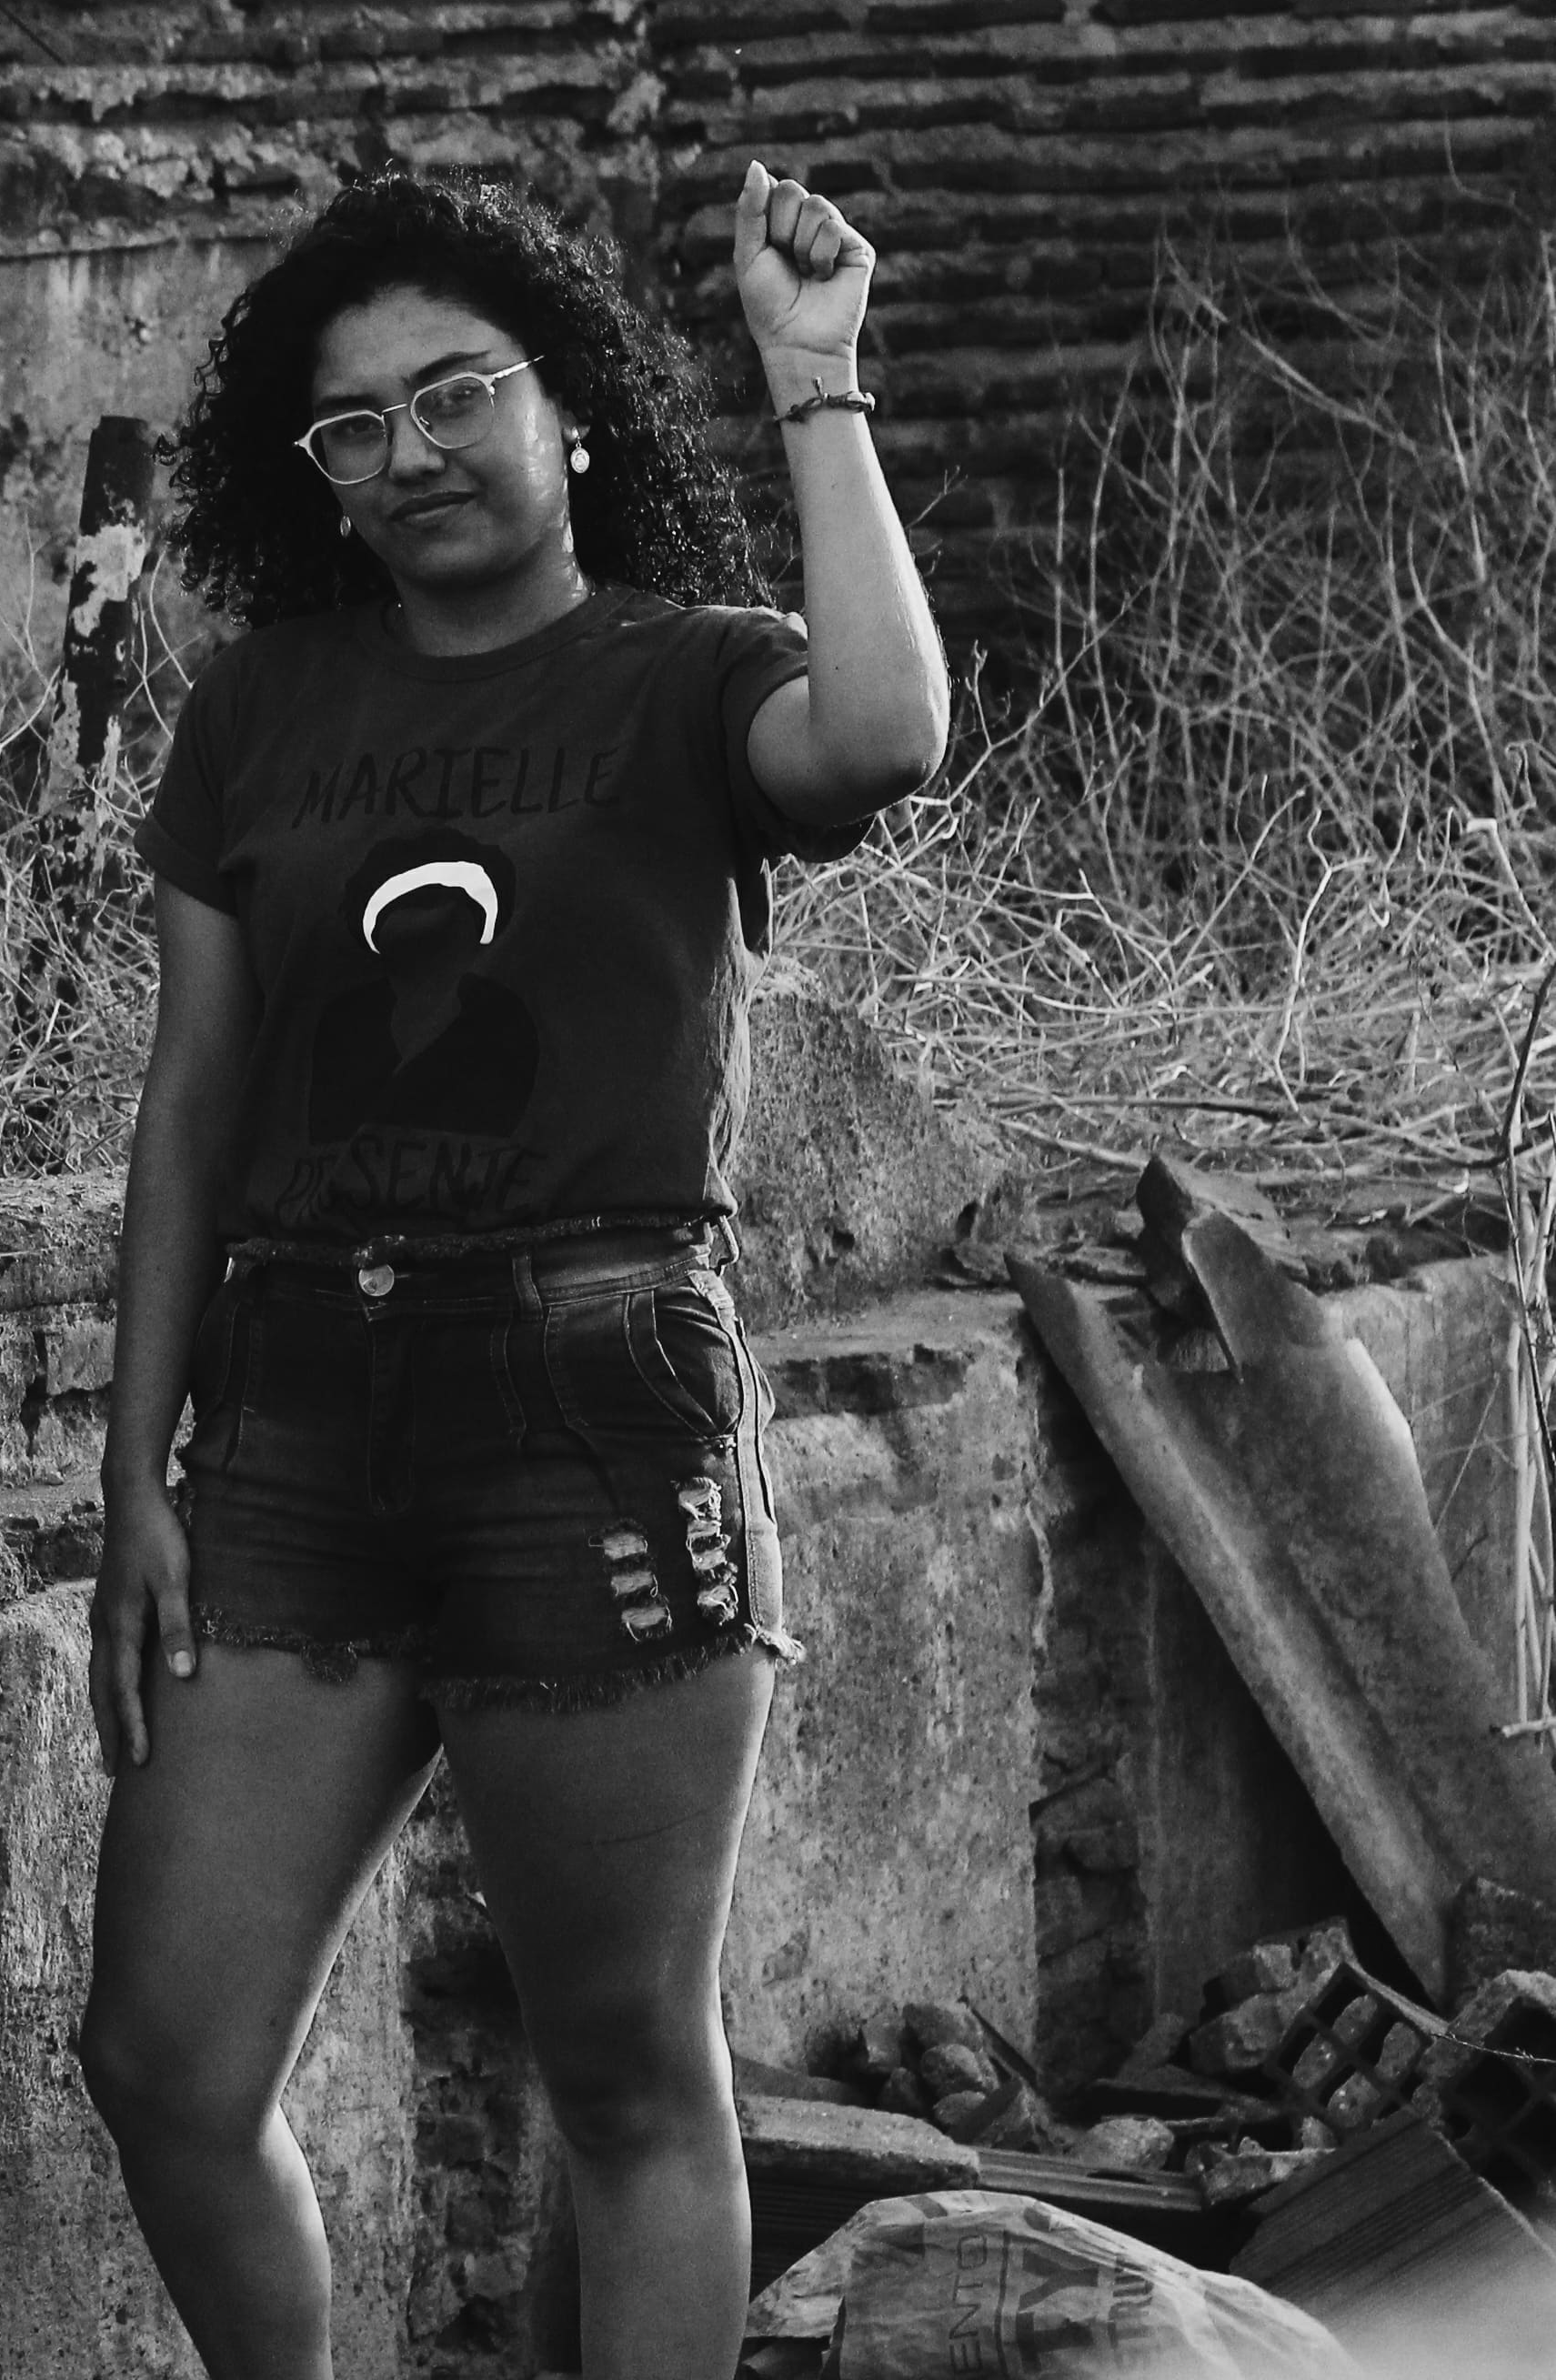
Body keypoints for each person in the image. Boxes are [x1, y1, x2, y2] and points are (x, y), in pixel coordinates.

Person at [75, 164, 949, 2377]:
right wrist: (132, 1471)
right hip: (284, 1423)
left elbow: (879, 738)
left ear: (566, 407)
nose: (408, 452)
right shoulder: (257, 709)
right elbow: (191, 1105)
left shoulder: (684, 675)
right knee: (161, 2059)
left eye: (455, 393)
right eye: (348, 426)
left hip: (589, 1403)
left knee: (625, 2081)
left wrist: (815, 381)